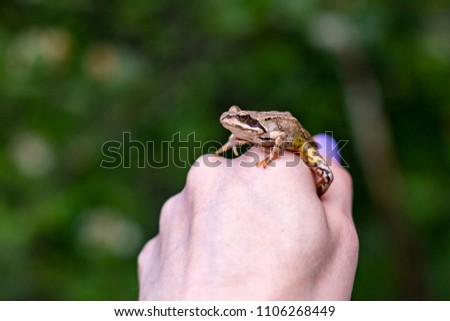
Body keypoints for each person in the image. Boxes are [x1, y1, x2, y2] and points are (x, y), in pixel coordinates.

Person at [138, 134, 358, 300]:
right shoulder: (249, 133)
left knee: (326, 174)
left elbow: (280, 138)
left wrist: (272, 157)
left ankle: (318, 191)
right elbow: (240, 135)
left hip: (298, 141)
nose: (234, 121)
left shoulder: (266, 132)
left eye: (243, 119)